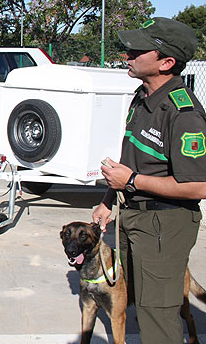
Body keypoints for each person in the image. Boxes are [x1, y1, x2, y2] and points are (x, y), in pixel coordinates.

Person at [92, 17, 206, 344]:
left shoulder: (183, 113)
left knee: (158, 318)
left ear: (166, 62)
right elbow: (131, 161)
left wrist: (132, 180)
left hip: (164, 224)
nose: (128, 54)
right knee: (143, 307)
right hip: (135, 218)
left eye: (139, 50)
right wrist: (107, 201)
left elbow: (200, 186)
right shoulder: (141, 99)